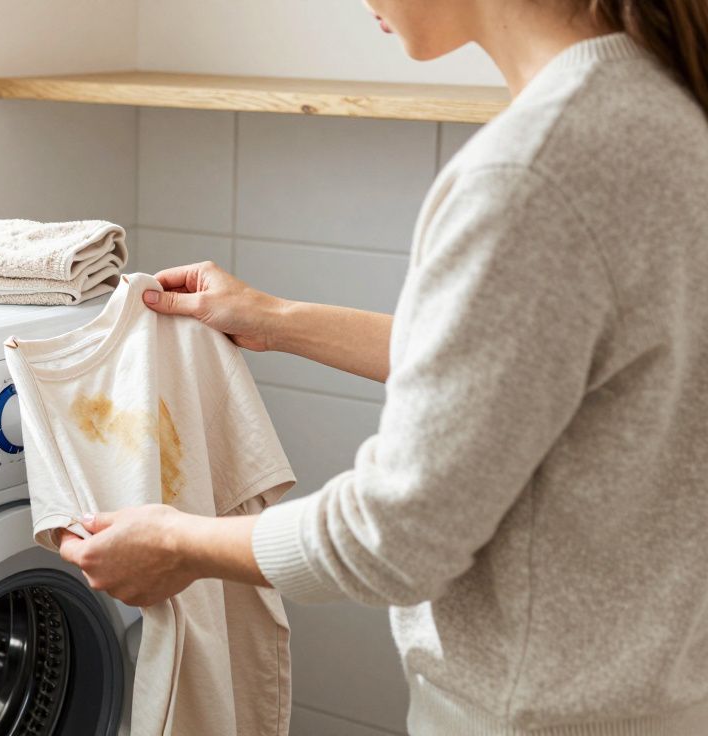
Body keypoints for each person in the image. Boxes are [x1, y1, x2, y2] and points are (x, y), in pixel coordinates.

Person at [55, 1, 708, 733]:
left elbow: (395, 538)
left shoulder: (532, 171)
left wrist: (176, 544)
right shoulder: (663, 113)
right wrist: (278, 320)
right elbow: (530, 374)